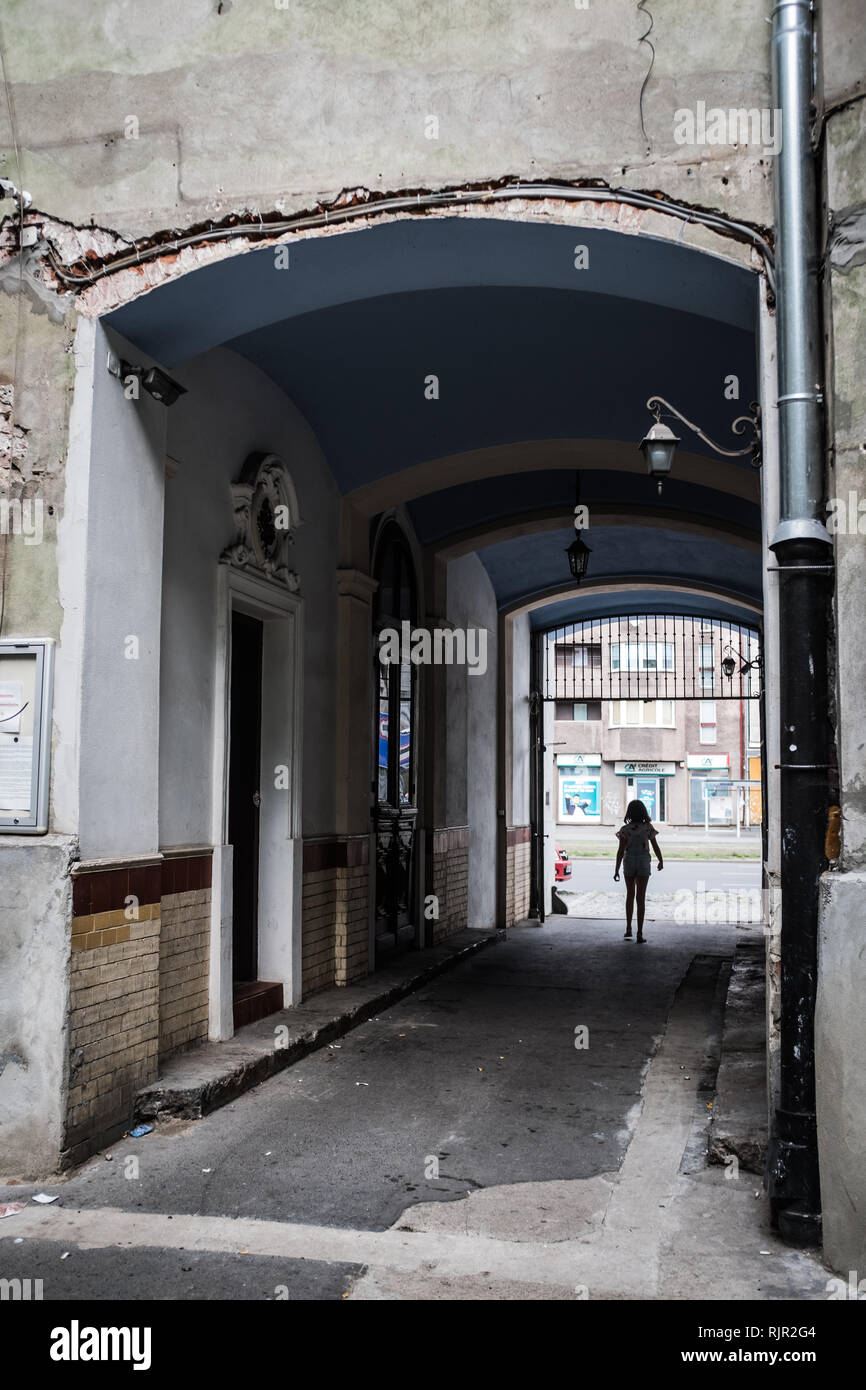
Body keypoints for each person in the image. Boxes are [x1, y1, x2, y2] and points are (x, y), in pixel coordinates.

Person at [613, 799, 663, 942]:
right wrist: (660, 860)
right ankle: (640, 933)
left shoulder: (625, 830)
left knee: (630, 895)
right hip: (643, 862)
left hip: (629, 862)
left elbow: (620, 851)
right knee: (640, 898)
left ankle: (628, 929)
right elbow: (655, 846)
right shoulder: (648, 828)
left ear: (629, 813)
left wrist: (616, 869)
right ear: (643, 812)